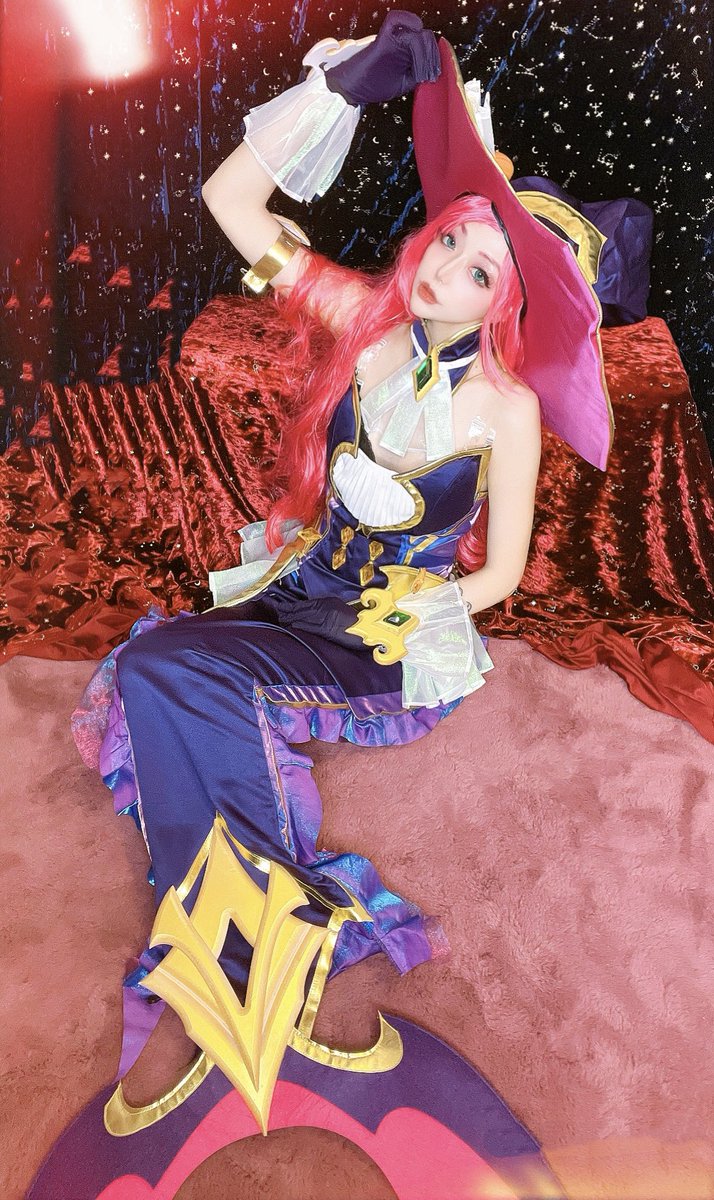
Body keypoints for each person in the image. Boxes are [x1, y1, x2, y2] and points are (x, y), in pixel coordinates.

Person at [72, 14, 612, 1098]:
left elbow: (501, 574)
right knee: (157, 665)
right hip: (301, 588)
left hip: (379, 634)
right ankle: (259, 922)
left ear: (504, 304)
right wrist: (340, 93)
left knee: (180, 673)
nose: (448, 269)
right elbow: (232, 204)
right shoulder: (360, 318)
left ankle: (245, 939)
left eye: (480, 270)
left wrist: (425, 612)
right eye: (451, 241)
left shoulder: (504, 410)